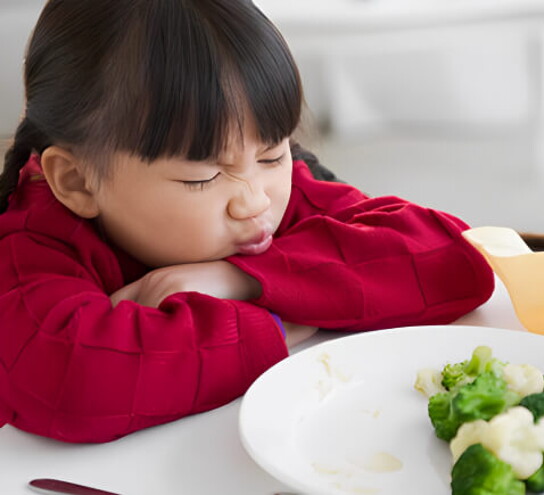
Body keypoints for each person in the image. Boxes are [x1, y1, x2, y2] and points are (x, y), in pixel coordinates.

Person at [0, 0, 494, 443]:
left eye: (274, 152)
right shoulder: (30, 238)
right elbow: (70, 378)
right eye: (205, 176)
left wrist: (240, 279)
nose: (255, 202)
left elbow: (454, 256)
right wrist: (284, 323)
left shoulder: (276, 187)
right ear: (79, 182)